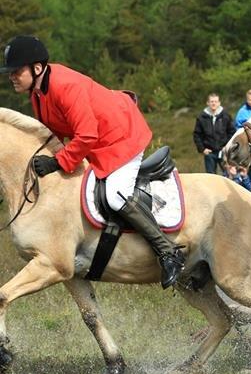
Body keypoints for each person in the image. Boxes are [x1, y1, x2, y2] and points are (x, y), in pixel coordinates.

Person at [0, 35, 184, 288]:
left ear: (37, 68)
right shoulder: (37, 94)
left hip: (122, 136)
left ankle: (168, 252)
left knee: (115, 195)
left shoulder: (65, 86)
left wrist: (58, 162)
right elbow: (55, 133)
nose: (11, 76)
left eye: (16, 71)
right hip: (98, 142)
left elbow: (86, 135)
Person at [193, 93, 233, 174]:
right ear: (207, 103)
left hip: (223, 151)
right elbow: (197, 135)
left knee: (228, 174)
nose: (214, 103)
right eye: (211, 101)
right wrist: (202, 149)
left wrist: (227, 147)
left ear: (219, 103)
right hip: (209, 153)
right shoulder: (201, 117)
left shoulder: (225, 116)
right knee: (211, 176)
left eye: (215, 101)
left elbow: (231, 132)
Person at [234, 89, 251, 186]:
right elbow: (239, 127)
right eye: (250, 100)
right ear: (247, 100)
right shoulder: (242, 112)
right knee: (244, 168)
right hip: (245, 144)